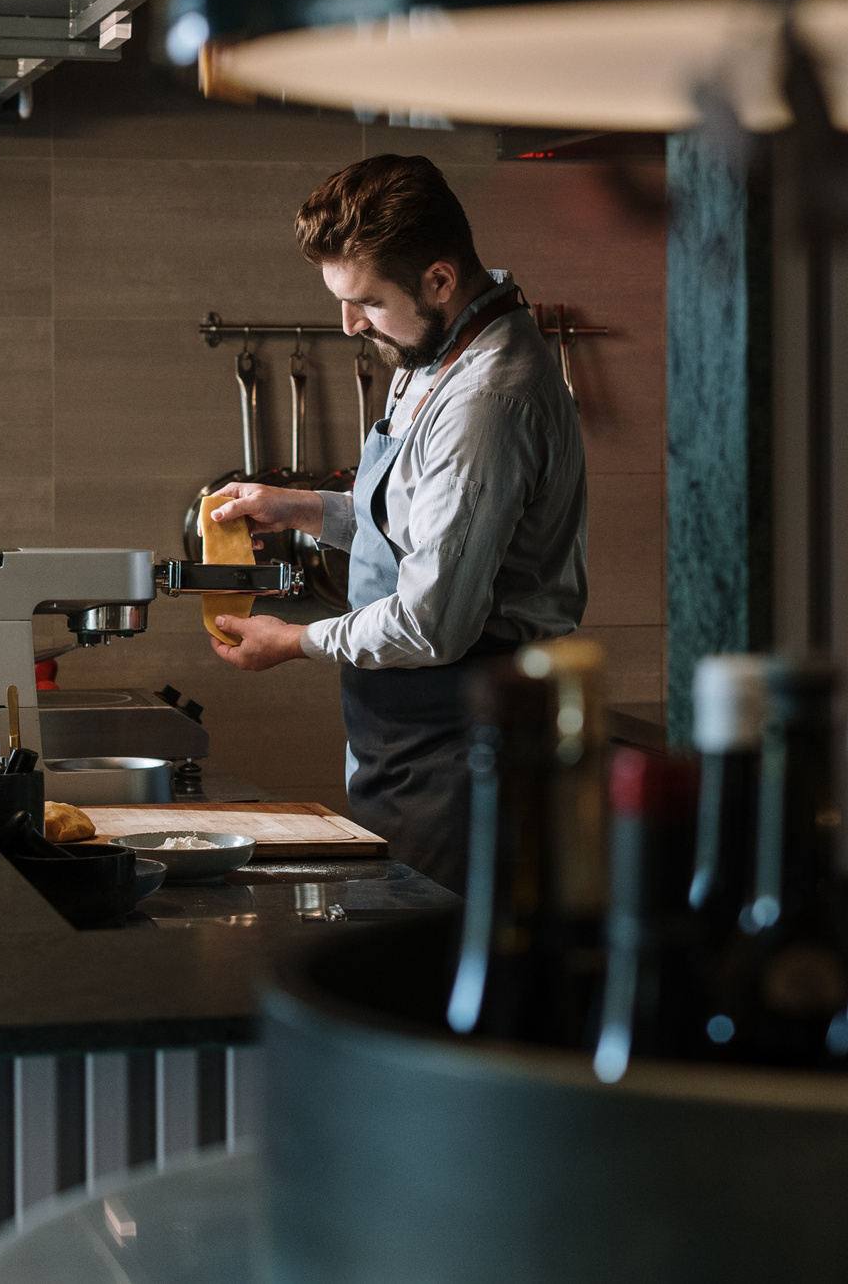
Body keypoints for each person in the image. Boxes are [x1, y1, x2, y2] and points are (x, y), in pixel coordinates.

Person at [205, 154, 588, 891]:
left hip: (466, 739)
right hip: (408, 732)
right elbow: (415, 524)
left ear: (440, 279)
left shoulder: (488, 401)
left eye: (367, 302)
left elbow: (433, 621)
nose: (349, 324)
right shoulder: (436, 343)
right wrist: (303, 509)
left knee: (434, 967)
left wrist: (293, 641)